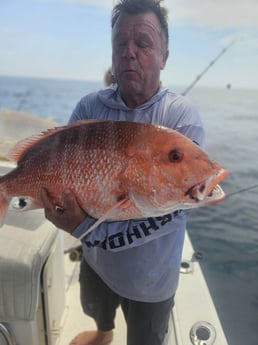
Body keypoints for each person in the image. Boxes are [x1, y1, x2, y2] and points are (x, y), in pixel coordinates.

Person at [40, 0, 205, 344]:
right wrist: (64, 209)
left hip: (151, 278)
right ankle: (104, 332)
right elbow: (63, 168)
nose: (129, 52)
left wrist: (86, 228)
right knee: (96, 307)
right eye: (120, 43)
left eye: (142, 43)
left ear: (164, 56)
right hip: (97, 261)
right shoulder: (89, 107)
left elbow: (175, 211)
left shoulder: (180, 117)